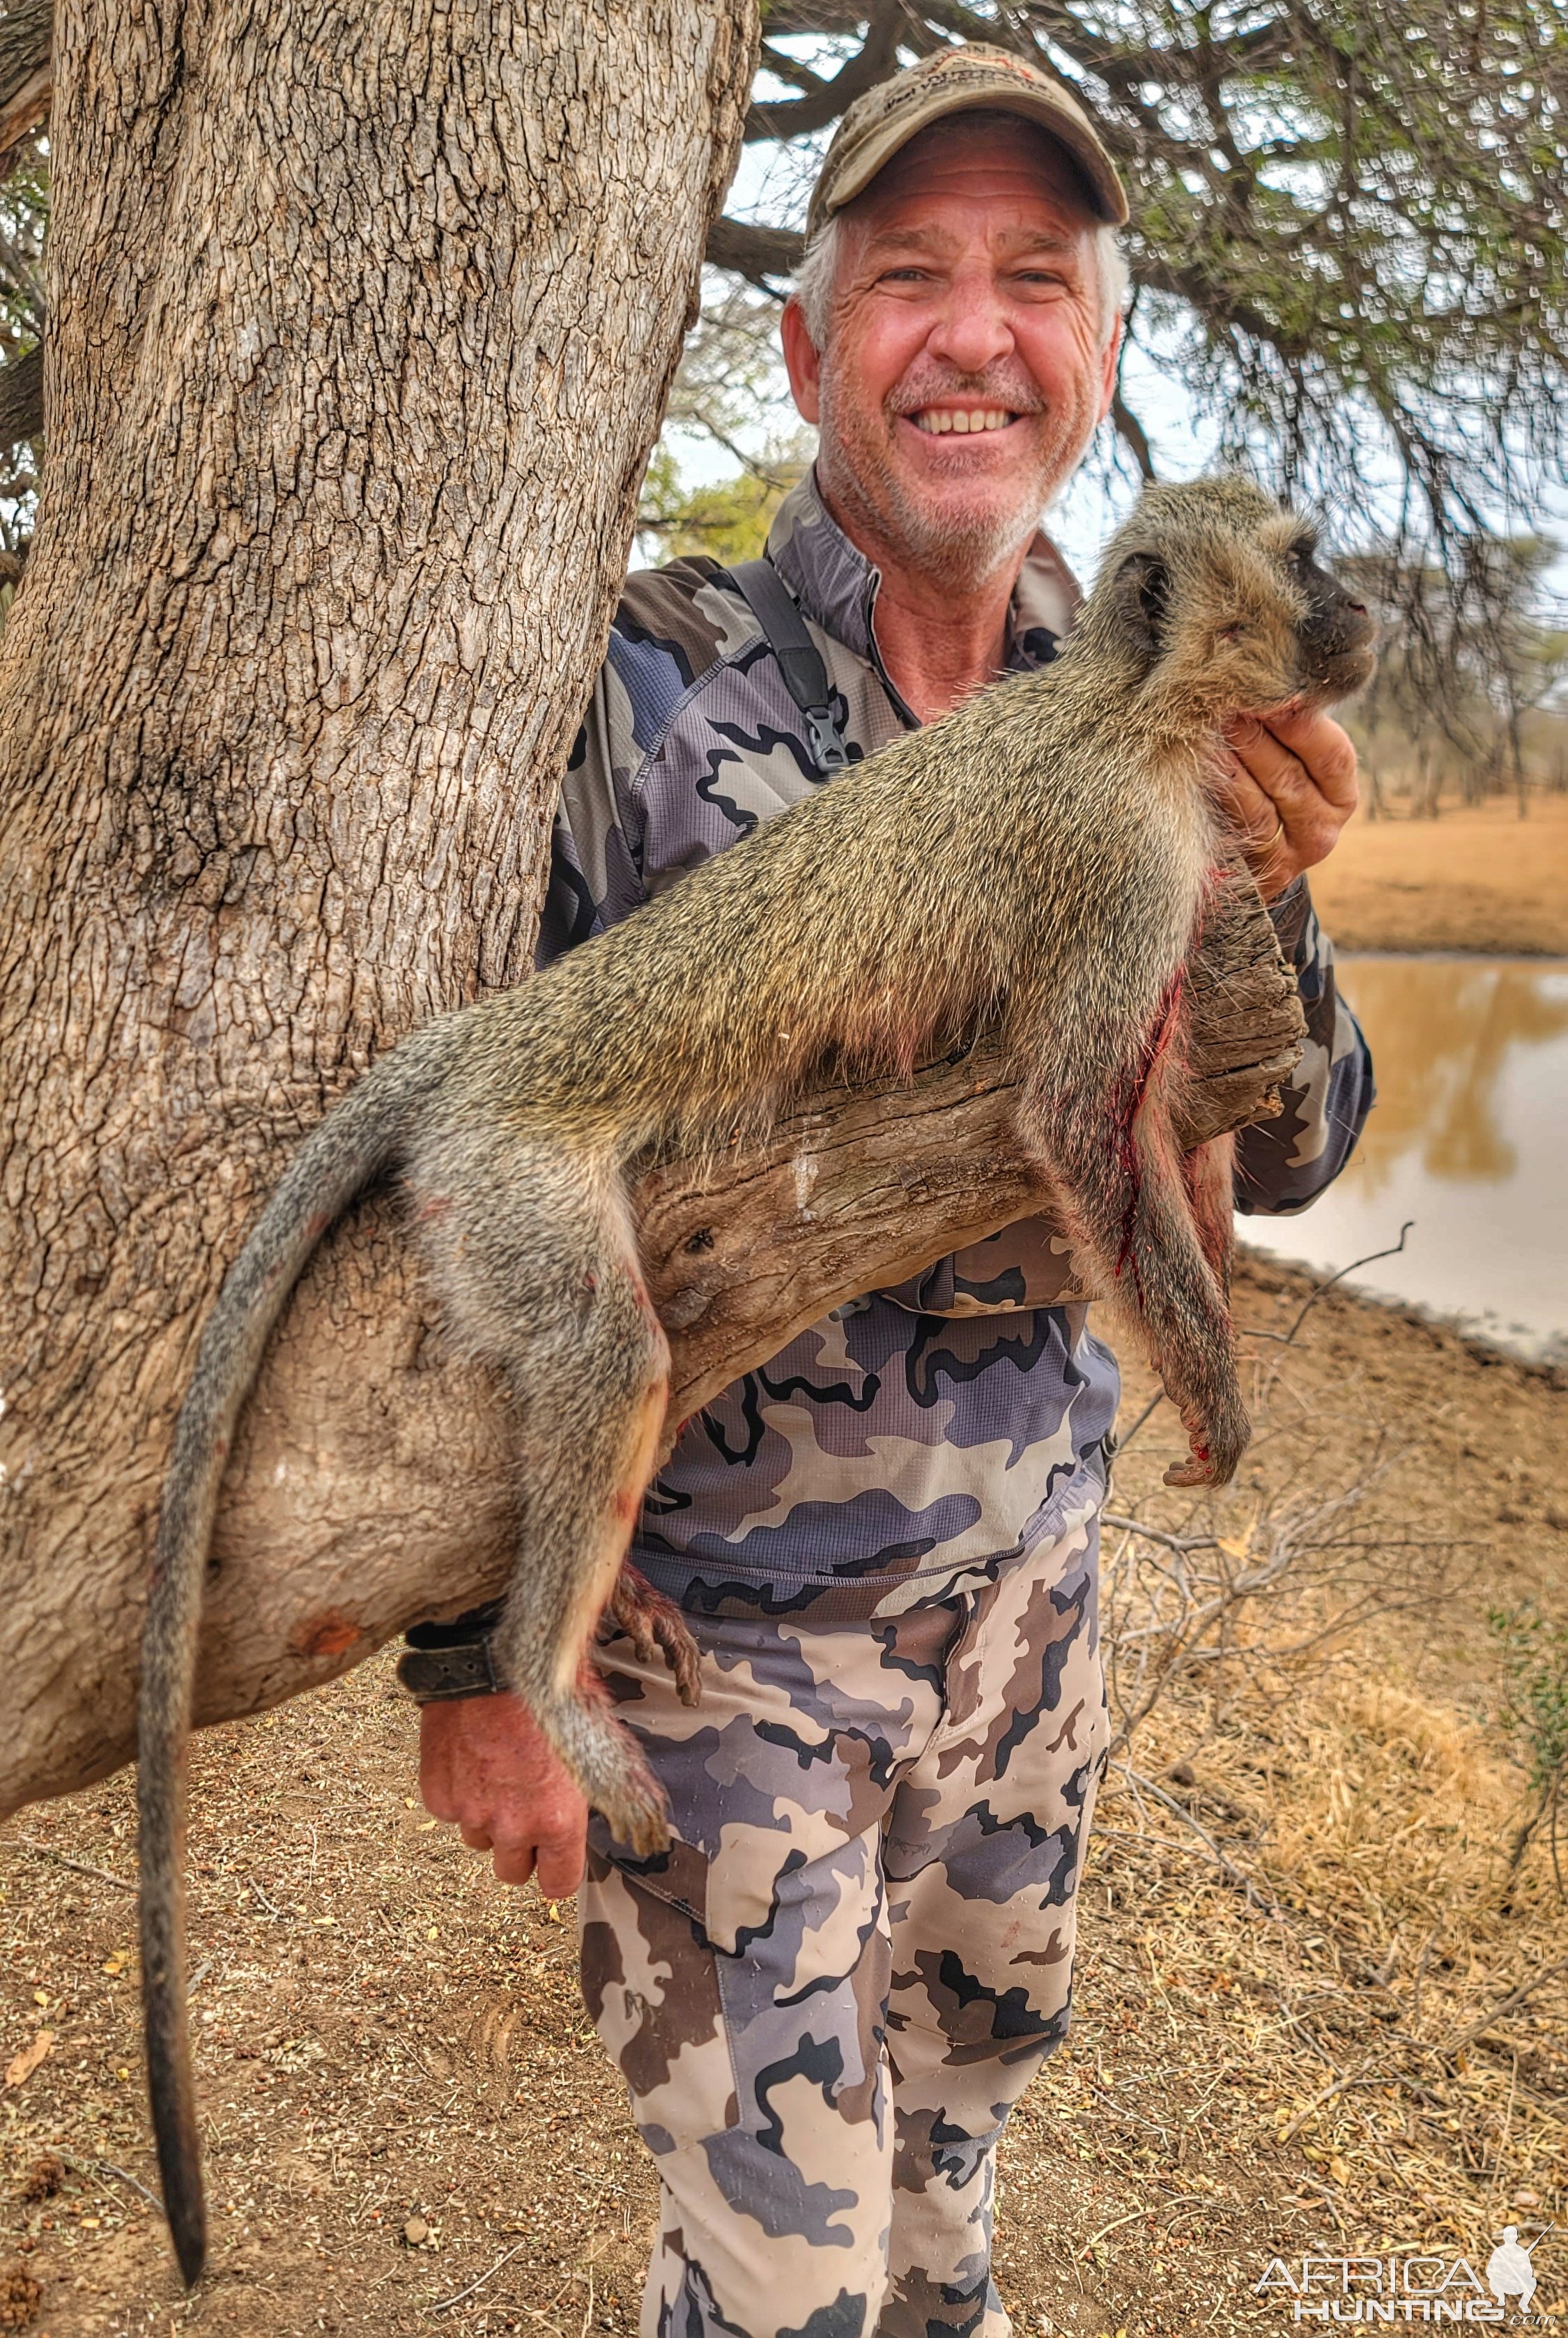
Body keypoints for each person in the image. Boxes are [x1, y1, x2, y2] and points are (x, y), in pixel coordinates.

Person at [409, 45, 1375, 2338]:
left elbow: (1297, 1136)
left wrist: (1278, 899)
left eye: (1032, 279)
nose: (971, 332)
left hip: (1023, 1620)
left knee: (946, 2221)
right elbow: (476, 1187)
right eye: (908, 276)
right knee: (785, 2294)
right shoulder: (642, 682)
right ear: (805, 342)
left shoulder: (1140, 686)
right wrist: (478, 1660)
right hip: (715, 1657)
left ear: (1099, 354)